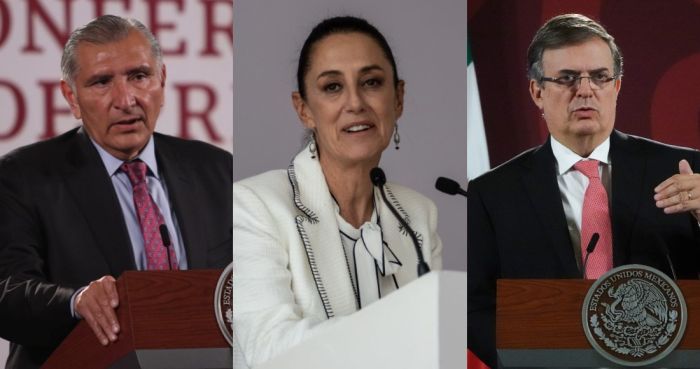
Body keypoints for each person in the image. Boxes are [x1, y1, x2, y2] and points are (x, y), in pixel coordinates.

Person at [467, 13, 700, 368]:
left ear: (617, 87)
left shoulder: (686, 172)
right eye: (567, 78)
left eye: (600, 77)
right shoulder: (492, 193)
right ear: (537, 92)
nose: (586, 90)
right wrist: (524, 358)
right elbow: (476, 304)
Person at [0, 15, 232, 369]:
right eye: (102, 82)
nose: (126, 99)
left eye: (139, 76)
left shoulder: (217, 170)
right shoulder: (23, 176)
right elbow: (7, 292)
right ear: (71, 96)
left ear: (162, 80)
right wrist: (75, 301)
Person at [232, 16, 442, 367]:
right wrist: (394, 334)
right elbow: (267, 349)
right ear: (304, 110)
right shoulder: (255, 205)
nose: (355, 102)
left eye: (371, 82)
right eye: (332, 87)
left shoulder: (418, 214)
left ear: (399, 98)